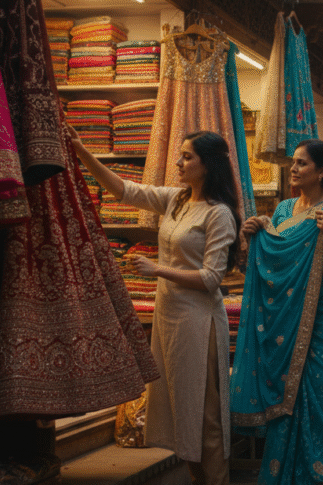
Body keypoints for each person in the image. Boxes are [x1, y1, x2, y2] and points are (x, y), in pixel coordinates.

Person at [72, 130, 240, 485]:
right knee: (181, 407)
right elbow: (125, 190)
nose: (178, 163)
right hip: (170, 318)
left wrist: (157, 270)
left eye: (186, 157)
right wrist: (82, 150)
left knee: (206, 412)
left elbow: (212, 278)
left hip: (199, 322)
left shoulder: (219, 214)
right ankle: (198, 479)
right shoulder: (177, 200)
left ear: (207, 165)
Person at [232, 139, 323, 484]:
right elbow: (274, 265)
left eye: (302, 163)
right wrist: (253, 236)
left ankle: (321, 476)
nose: (294, 169)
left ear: (322, 170)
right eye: (294, 163)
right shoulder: (284, 210)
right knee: (284, 394)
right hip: (285, 319)